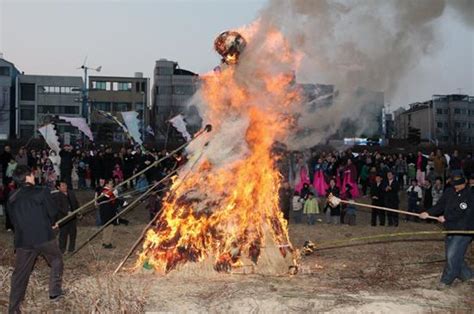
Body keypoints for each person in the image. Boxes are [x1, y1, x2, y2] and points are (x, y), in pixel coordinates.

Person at [7, 166, 64, 313]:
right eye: (32, 174)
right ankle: (54, 292)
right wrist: (53, 223)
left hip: (23, 241)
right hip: (44, 237)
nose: (34, 176)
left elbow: (13, 221)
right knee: (56, 259)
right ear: (28, 177)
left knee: (20, 274)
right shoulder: (42, 190)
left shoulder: (12, 196)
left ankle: (13, 309)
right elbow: (52, 211)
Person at [420, 175, 474, 289]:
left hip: (464, 230)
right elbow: (440, 205)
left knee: (452, 255)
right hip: (450, 228)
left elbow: (461, 211)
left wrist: (446, 217)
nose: (456, 187)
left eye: (458, 185)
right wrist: (428, 213)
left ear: (464, 183)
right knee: (454, 255)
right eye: (454, 185)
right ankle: (468, 276)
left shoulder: (469, 194)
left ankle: (446, 281)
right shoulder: (449, 191)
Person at [51, 180, 80, 254]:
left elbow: (76, 203)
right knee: (63, 234)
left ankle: (71, 249)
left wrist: (78, 211)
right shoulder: (57, 196)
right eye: (63, 186)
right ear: (58, 187)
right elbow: (58, 207)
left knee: (73, 233)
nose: (65, 187)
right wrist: (66, 212)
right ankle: (62, 250)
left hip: (73, 216)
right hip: (63, 218)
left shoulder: (71, 193)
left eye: (65, 185)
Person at [98, 179, 118, 249]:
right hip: (106, 213)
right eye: (110, 184)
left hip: (109, 212)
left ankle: (105, 241)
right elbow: (103, 198)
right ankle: (107, 243)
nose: (112, 185)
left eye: (112, 184)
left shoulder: (108, 192)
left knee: (107, 227)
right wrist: (112, 191)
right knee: (109, 228)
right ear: (106, 185)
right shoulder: (105, 191)